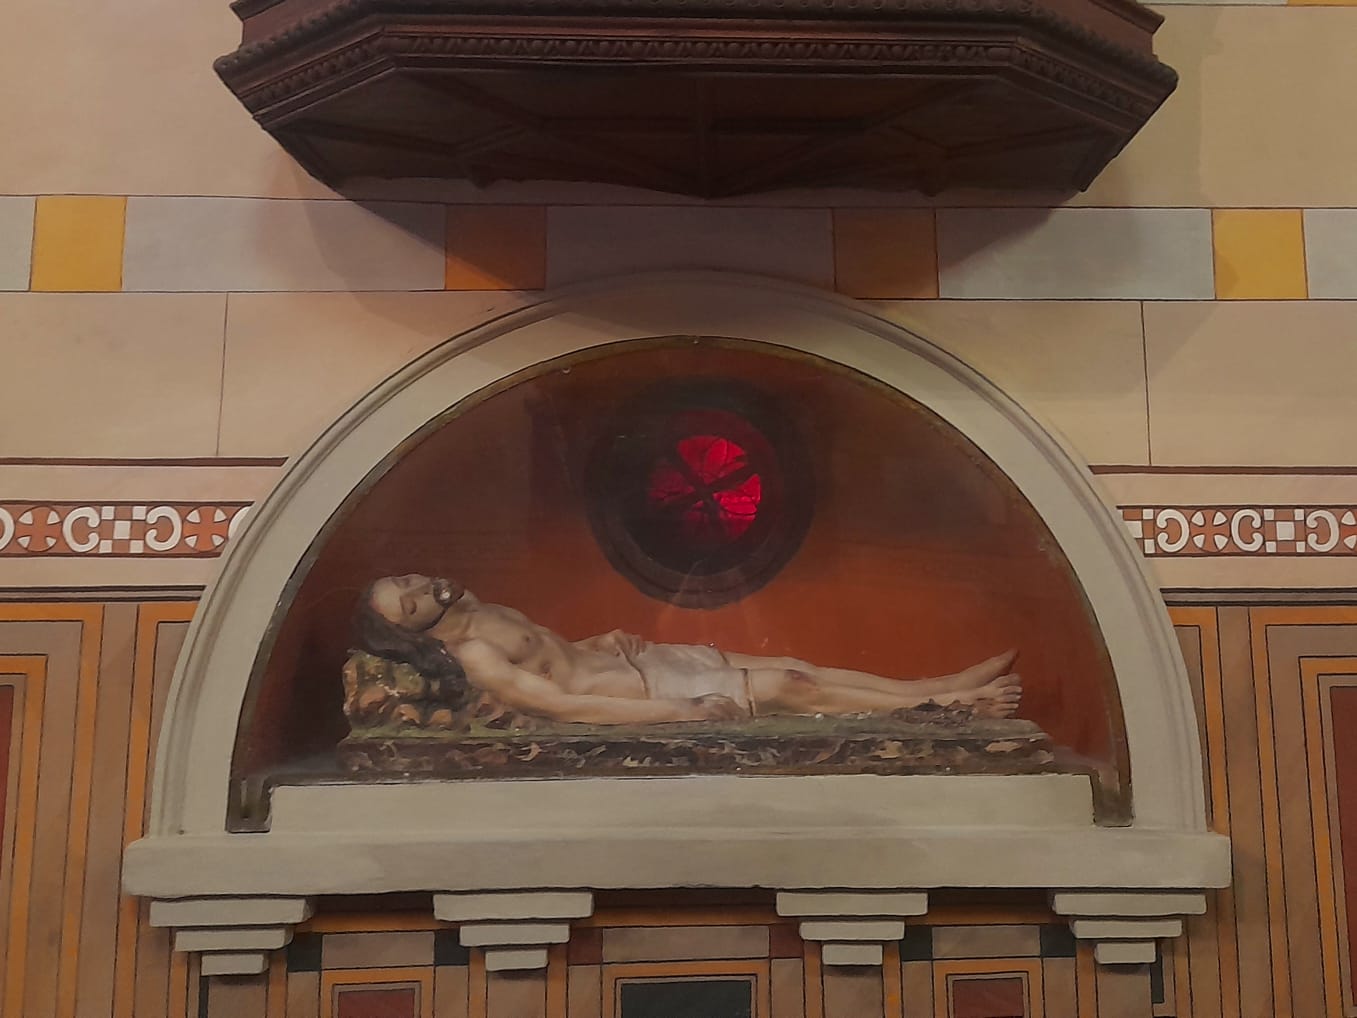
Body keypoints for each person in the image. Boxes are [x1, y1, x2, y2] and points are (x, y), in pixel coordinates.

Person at [354, 573, 1022, 725]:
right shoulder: (474, 657)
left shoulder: (480, 610)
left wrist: (595, 642)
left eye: (407, 580)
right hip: (646, 694)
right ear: (414, 631)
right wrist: (678, 713)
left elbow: (553, 656)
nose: (417, 587)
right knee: (795, 690)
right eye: (408, 602)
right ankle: (946, 708)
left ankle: (932, 684)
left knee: (797, 667)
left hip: (639, 662)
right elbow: (560, 705)